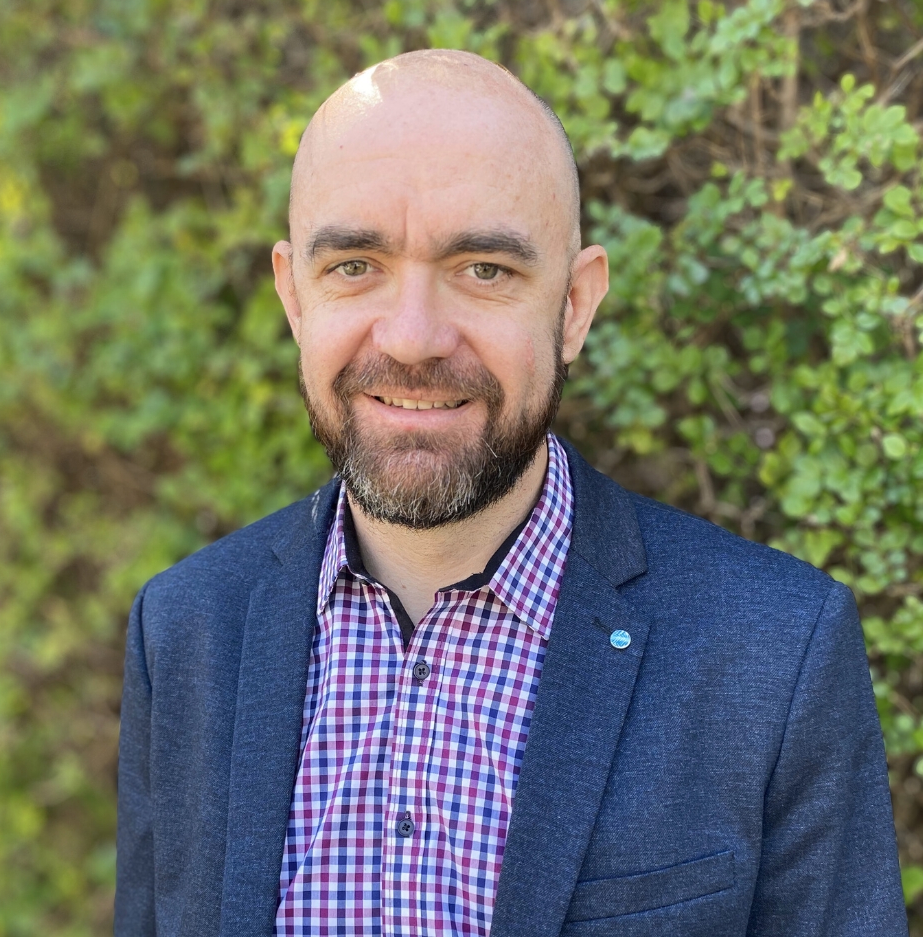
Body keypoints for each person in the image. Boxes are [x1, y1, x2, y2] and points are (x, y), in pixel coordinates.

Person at [114, 50, 907, 937]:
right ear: (294, 295)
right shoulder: (183, 633)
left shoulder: (775, 654)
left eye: (483, 269)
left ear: (574, 306)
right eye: (355, 265)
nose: (412, 339)